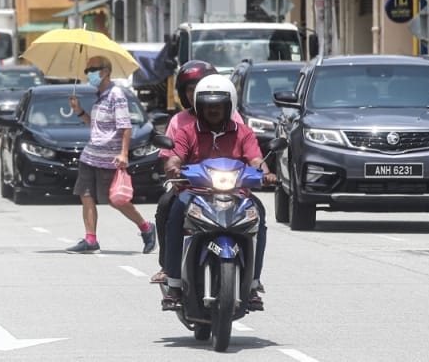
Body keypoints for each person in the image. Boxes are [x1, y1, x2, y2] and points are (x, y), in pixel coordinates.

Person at [160, 74, 274, 311]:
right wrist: (173, 167)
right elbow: (175, 156)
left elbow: (255, 158)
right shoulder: (187, 131)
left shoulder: (243, 132)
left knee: (259, 214)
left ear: (228, 105)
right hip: (195, 192)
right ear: (199, 107)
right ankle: (173, 284)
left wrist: (266, 172)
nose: (213, 110)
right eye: (208, 105)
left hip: (236, 193)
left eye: (218, 105)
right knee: (175, 211)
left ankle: (253, 284)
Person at [150, 60, 239, 285]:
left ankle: (251, 279)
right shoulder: (179, 121)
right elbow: (167, 157)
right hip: (190, 186)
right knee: (165, 206)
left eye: (199, 87)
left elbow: (249, 153)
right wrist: (175, 176)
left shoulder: (233, 118)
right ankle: (168, 267)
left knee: (256, 215)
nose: (195, 93)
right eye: (190, 89)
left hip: (229, 185)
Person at [65, 55, 156, 254]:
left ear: (105, 71)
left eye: (92, 69)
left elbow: (125, 127)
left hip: (109, 159)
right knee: (86, 195)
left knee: (115, 200)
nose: (88, 74)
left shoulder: (117, 95)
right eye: (87, 70)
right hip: (89, 156)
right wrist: (79, 111)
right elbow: (96, 127)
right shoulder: (100, 96)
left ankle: (146, 228)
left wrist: (124, 154)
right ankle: (90, 239)